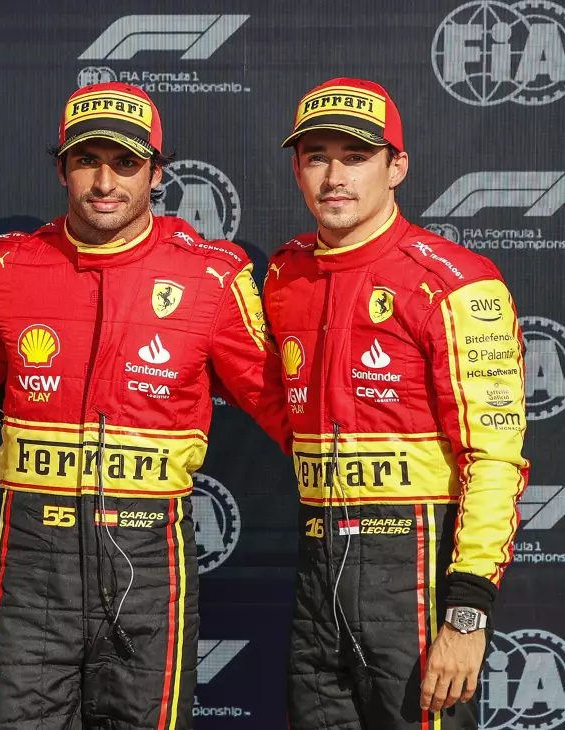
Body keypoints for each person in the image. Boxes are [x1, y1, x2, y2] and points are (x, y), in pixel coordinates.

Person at [0, 82, 291, 730]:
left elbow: (288, 410)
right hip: (32, 564)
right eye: (87, 161)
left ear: (157, 172)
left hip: (149, 567)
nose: (104, 182)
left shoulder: (211, 276)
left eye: (125, 163)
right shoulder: (10, 265)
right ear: (61, 169)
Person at [264, 77, 530, 729]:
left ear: (397, 167)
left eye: (356, 157)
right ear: (297, 169)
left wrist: (466, 614)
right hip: (316, 568)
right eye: (317, 157)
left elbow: (495, 459)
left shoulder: (459, 284)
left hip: (417, 568)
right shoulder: (283, 276)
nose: (334, 176)